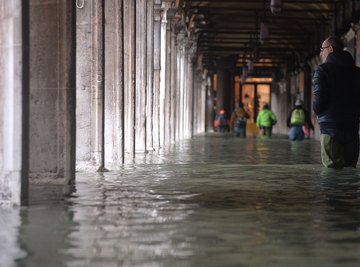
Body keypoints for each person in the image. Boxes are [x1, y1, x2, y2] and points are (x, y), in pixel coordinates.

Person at [313, 35, 360, 168]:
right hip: (352, 128)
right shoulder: (357, 72)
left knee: (332, 174)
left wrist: (316, 111)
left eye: (323, 49)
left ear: (331, 49)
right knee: (350, 172)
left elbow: (319, 99)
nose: (321, 53)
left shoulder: (323, 70)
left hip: (330, 128)